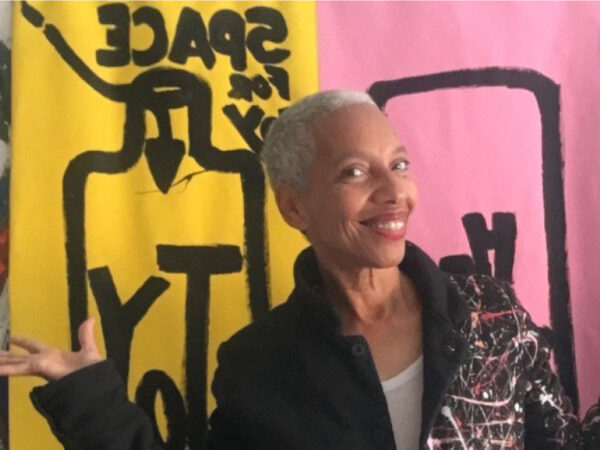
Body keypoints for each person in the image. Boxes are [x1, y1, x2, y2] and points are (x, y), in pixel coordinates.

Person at [2, 90, 599, 449]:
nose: (395, 191)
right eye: (354, 172)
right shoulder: (259, 364)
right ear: (294, 207)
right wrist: (89, 398)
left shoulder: (489, 314)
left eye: (399, 164)